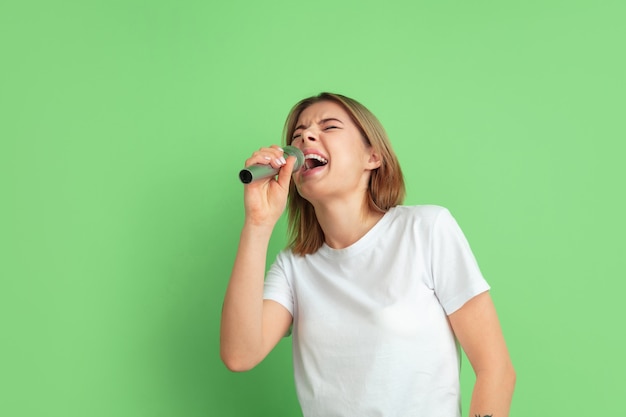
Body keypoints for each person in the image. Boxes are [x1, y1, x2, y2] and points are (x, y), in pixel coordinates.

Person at [220, 92, 516, 417]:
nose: (305, 136)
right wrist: (258, 223)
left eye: (329, 127)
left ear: (372, 156)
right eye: (297, 134)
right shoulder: (293, 267)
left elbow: (496, 370)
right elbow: (239, 355)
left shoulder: (426, 229)